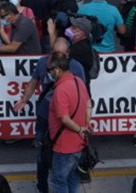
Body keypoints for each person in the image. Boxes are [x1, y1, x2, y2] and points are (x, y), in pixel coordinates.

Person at [46, 51, 92, 193]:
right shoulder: (79, 82)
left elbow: (64, 118)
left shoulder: (61, 90)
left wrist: (79, 129)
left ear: (57, 70)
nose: (49, 73)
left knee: (58, 181)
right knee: (73, 178)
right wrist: (86, 124)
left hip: (64, 146)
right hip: (80, 143)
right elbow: (88, 103)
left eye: (49, 70)